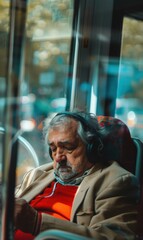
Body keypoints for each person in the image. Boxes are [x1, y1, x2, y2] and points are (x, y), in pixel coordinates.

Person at [14, 111, 139, 240]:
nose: (58, 158)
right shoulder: (37, 175)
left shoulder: (116, 182)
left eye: (68, 147)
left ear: (91, 147)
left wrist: (37, 222)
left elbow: (112, 237)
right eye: (53, 149)